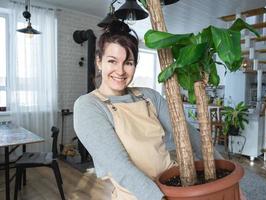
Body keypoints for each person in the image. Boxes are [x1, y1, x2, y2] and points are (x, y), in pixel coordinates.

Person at [73, 20, 223, 200]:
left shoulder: (148, 96)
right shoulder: (89, 106)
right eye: (112, 61)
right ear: (99, 61)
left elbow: (186, 132)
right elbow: (120, 166)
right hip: (139, 195)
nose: (120, 71)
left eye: (128, 62)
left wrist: (221, 168)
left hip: (174, 183)